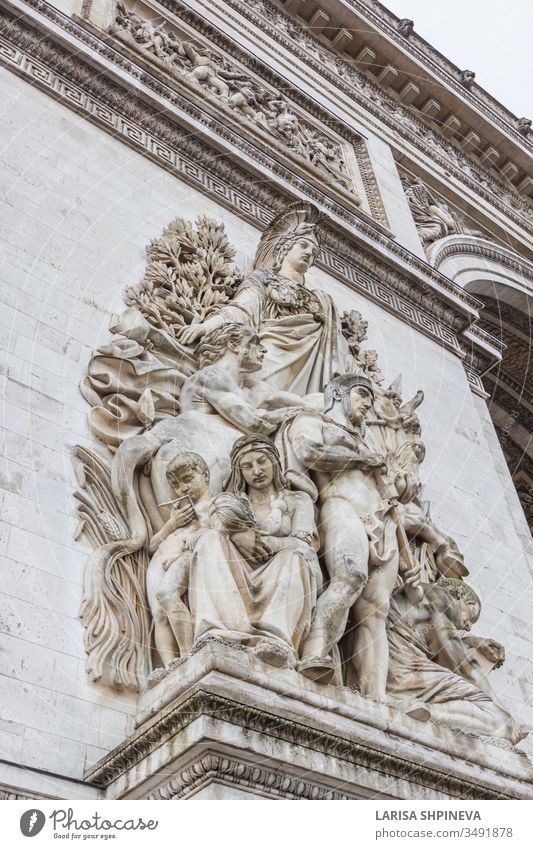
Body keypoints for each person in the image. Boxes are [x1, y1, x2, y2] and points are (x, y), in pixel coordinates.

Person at [285, 373, 402, 691]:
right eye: (363, 394)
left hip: (381, 522)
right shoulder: (314, 419)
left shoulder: (368, 439)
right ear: (337, 393)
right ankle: (314, 652)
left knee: (377, 609)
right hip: (340, 506)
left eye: (371, 399)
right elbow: (308, 452)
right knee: (350, 576)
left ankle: (373, 696)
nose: (369, 403)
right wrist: (363, 458)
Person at [178, 203, 351, 395]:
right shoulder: (263, 278)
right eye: (303, 245)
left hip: (313, 365)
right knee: (258, 397)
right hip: (271, 353)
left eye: (314, 252)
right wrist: (205, 326)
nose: (309, 253)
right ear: (285, 247)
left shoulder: (322, 300)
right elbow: (242, 310)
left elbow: (339, 349)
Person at [189, 435, 321, 668]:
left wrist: (263, 542)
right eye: (247, 466)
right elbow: (209, 529)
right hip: (236, 570)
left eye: (262, 461)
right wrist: (238, 536)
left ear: (275, 463)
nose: (257, 470)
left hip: (279, 569)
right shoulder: (231, 502)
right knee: (209, 540)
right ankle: (218, 631)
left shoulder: (297, 500)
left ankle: (275, 641)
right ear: (239, 471)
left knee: (295, 558)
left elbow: (304, 546)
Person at [387, 579, 527, 745]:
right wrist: (505, 712)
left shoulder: (420, 596)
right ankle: (422, 709)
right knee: (500, 721)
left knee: (497, 721)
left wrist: (470, 642)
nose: (468, 627)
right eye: (471, 618)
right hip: (403, 670)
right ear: (463, 598)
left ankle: (424, 710)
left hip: (392, 668)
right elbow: (465, 667)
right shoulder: (440, 597)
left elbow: (433, 644)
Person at [146, 452, 211, 667]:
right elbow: (152, 545)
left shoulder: (213, 505)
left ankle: (186, 655)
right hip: (160, 559)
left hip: (184, 556)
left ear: (206, 476)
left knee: (167, 595)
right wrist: (171, 525)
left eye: (188, 479)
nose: (182, 489)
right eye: (176, 484)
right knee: (158, 614)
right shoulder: (179, 514)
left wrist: (179, 551)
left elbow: (215, 532)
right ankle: (168, 665)